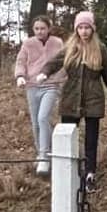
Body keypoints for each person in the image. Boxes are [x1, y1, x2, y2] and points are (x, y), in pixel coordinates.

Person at [37, 11, 107, 191]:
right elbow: (53, 63)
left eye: (87, 27)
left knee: (91, 139)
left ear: (92, 29)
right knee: (68, 136)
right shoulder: (70, 47)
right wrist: (44, 73)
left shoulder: (100, 48)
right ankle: (70, 171)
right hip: (70, 98)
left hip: (93, 99)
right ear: (76, 29)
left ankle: (90, 173)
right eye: (80, 27)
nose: (84, 31)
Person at [15, 15, 64, 176]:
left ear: (49, 28)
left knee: (43, 118)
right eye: (36, 28)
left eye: (43, 28)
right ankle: (41, 151)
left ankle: (45, 156)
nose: (39, 31)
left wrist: (59, 78)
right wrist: (20, 76)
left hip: (51, 85)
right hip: (32, 85)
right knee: (36, 122)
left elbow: (62, 61)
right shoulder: (28, 43)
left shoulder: (57, 43)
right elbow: (21, 61)